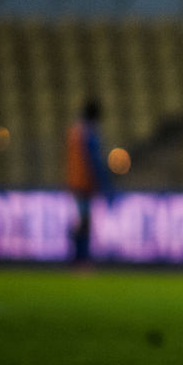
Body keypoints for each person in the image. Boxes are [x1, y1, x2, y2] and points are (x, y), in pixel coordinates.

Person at [65, 97, 113, 265]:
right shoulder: (89, 133)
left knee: (82, 220)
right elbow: (94, 161)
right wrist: (105, 184)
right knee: (84, 222)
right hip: (84, 183)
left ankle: (79, 258)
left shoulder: (75, 131)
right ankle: (81, 260)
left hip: (75, 183)